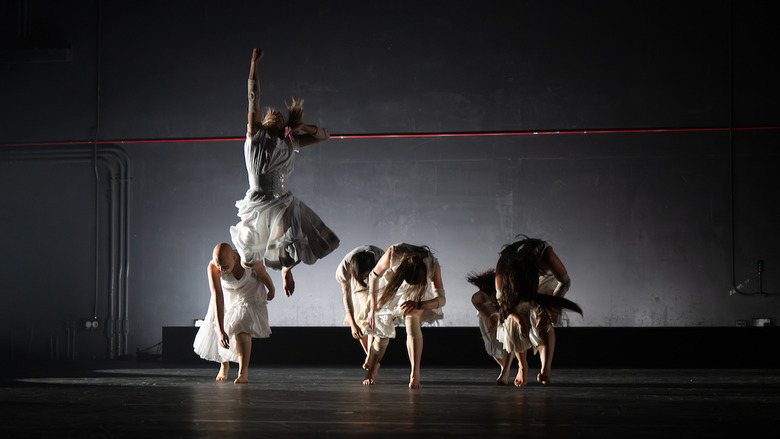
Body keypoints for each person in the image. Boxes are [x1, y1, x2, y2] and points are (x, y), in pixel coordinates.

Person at [230, 48, 339, 297]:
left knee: (287, 235)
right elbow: (253, 97)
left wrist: (301, 126)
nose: (278, 114)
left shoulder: (290, 142)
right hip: (258, 201)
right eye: (273, 114)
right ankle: (252, 280)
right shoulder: (254, 136)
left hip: (282, 201)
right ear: (265, 122)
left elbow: (324, 135)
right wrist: (253, 65)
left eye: (281, 115)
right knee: (249, 250)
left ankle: (285, 270)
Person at [494, 236, 582, 387]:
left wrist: (550, 306)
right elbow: (502, 301)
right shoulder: (504, 262)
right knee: (513, 321)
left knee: (543, 319)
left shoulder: (545, 254)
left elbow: (565, 282)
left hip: (545, 284)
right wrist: (519, 319)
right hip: (516, 288)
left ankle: (545, 369)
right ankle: (522, 366)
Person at [363, 243, 445, 388]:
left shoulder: (432, 264)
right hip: (391, 287)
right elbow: (374, 277)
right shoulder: (393, 253)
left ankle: (415, 374)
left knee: (413, 323)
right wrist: (373, 309)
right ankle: (371, 370)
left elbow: (441, 299)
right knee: (381, 333)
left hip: (414, 296)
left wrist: (420, 304)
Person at [193, 243, 274, 383]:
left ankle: (243, 372)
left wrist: (271, 290)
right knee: (222, 330)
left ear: (235, 258)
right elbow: (217, 296)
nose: (221, 270)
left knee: (241, 327)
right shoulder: (213, 268)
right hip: (227, 296)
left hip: (249, 292)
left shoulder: (248, 259)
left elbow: (263, 274)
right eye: (219, 266)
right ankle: (224, 365)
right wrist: (220, 331)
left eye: (225, 266)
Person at [335, 245, 385, 368]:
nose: (365, 279)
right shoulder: (343, 269)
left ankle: (371, 359)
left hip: (380, 277)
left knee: (375, 317)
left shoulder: (381, 259)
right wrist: (353, 324)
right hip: (357, 275)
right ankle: (371, 359)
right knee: (360, 318)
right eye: (363, 277)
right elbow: (346, 296)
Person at [468, 269, 513, 385]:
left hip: (502, 321)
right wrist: (490, 317)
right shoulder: (482, 295)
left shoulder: (503, 294)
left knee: (508, 343)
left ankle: (506, 370)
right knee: (492, 347)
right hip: (489, 324)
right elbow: (475, 299)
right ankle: (505, 369)